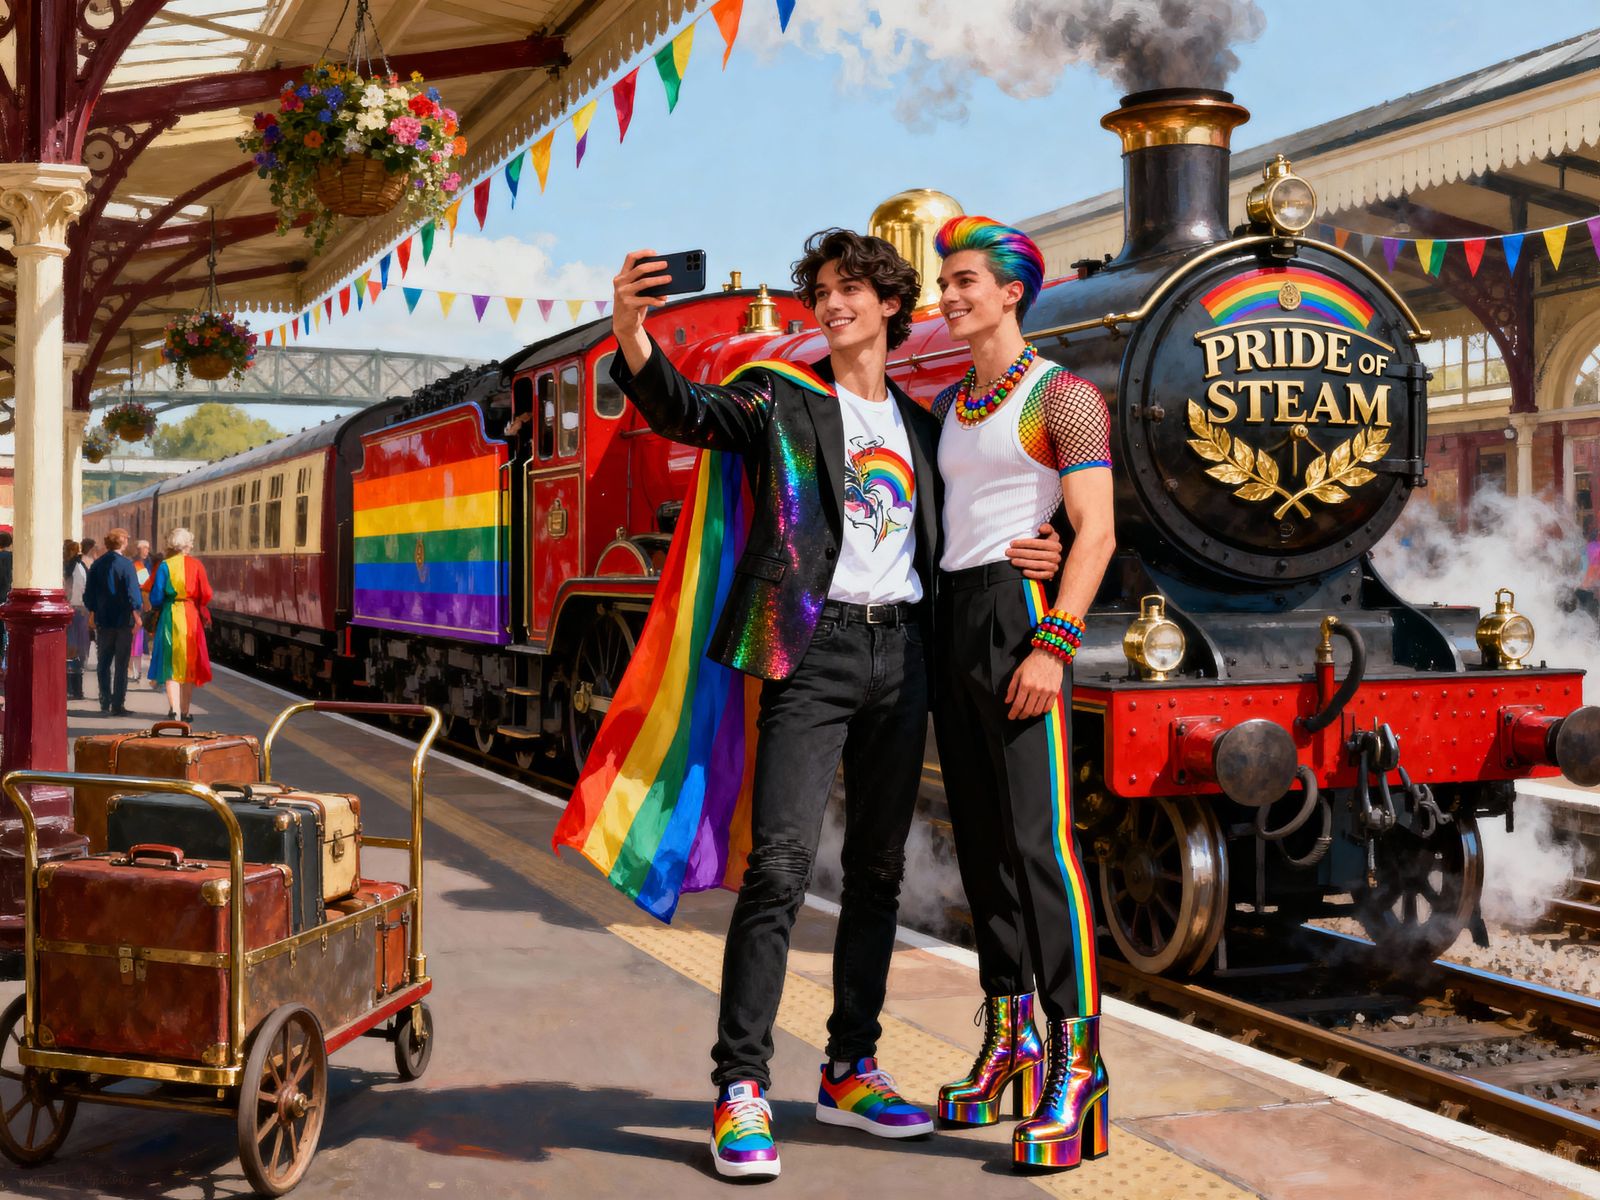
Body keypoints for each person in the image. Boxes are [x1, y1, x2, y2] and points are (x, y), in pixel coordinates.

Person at [593, 232, 1064, 1181]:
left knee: (880, 873)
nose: (833, 303)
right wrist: (631, 333)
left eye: (852, 289)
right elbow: (685, 411)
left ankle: (850, 1067)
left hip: (907, 655)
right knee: (780, 868)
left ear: (891, 307)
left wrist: (1045, 547)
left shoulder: (928, 427)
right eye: (823, 291)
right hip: (813, 652)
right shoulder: (779, 399)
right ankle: (741, 1087)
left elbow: (984, 522)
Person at [929, 218, 1117, 1171]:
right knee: (983, 847)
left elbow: (1094, 532)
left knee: (1044, 848)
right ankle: (1011, 1039)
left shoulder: (1064, 397)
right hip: (952, 618)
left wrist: (1053, 643)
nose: (949, 294)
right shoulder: (954, 401)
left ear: (1011, 293)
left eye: (964, 281)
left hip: (1019, 619)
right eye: (944, 281)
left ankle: (1078, 1066)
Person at [147, 527, 213, 722]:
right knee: (188, 664)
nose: (192, 545)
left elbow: (156, 597)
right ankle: (185, 711)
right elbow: (206, 593)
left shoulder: (165, 566)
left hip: (170, 615)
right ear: (185, 545)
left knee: (170, 664)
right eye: (191, 542)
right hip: (191, 616)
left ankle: (174, 710)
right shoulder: (197, 565)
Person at [83, 527, 144, 717]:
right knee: (121, 663)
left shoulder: (97, 564)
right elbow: (133, 593)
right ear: (123, 542)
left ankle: (104, 700)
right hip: (123, 620)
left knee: (103, 662)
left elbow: (88, 594)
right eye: (126, 539)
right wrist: (137, 613)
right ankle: (118, 704)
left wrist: (94, 609)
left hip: (103, 619)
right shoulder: (127, 565)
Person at [63, 539, 89, 700]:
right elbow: (79, 588)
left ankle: (74, 687)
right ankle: (74, 688)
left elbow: (76, 588)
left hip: (73, 609)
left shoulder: (72, 567)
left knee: (73, 649)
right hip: (76, 610)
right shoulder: (77, 566)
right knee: (75, 649)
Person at [129, 539, 151, 682]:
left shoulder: (144, 565)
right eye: (144, 548)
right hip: (137, 605)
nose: (147, 551)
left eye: (147, 548)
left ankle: (135, 671)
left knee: (138, 639)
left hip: (140, 604)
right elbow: (144, 586)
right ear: (138, 550)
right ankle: (133, 671)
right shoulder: (137, 565)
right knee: (135, 638)